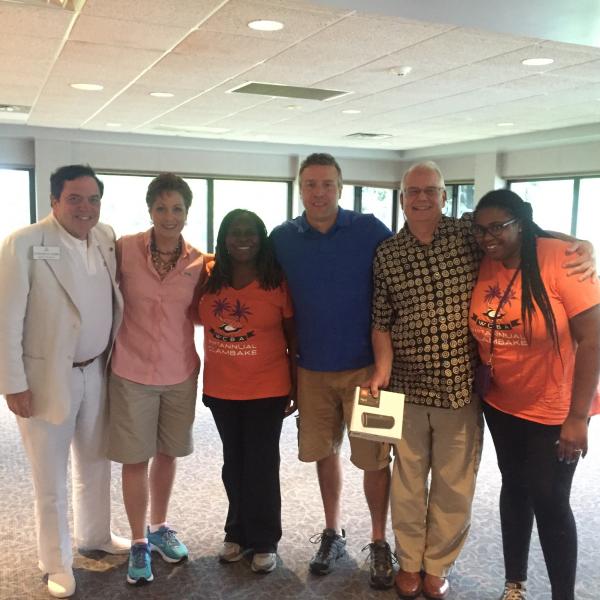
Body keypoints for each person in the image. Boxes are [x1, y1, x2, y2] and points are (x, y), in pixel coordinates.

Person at [369, 161, 596, 600]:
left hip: (462, 389)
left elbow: (524, 236)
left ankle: (437, 566)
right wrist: (381, 370)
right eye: (413, 191)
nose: (421, 198)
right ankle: (409, 561)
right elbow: (382, 321)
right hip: (407, 386)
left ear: (444, 197)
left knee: (455, 484)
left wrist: (580, 242)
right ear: (401, 199)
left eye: (431, 190)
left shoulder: (469, 237)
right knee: (408, 481)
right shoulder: (387, 253)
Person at [0, 164, 129, 599]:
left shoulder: (106, 238)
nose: (85, 207)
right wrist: (12, 383)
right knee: (50, 478)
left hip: (97, 369)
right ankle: (56, 561)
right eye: (75, 198)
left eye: (93, 199)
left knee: (96, 462)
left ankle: (95, 534)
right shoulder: (25, 243)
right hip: (44, 378)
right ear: (54, 200)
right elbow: (6, 318)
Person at [270, 153, 396, 589]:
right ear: (300, 189)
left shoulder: (370, 230)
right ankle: (332, 532)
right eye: (310, 184)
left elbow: (408, 264)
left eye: (326, 184)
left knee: (375, 459)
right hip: (312, 371)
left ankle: (380, 540)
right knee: (324, 453)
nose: (318, 192)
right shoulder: (282, 238)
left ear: (340, 188)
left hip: (370, 371)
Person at [468, 189, 600, 600]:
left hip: (556, 410)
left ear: (521, 224)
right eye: (480, 229)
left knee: (550, 499)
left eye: (499, 227)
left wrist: (578, 417)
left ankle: (564, 595)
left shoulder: (560, 260)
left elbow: (594, 339)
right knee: (515, 485)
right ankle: (515, 584)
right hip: (502, 402)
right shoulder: (484, 258)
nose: (488, 237)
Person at [107, 173, 209, 585]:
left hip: (180, 371)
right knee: (136, 457)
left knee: (168, 453)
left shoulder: (200, 261)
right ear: (150, 210)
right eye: (162, 208)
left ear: (187, 212)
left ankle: (159, 526)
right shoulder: (123, 250)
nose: (170, 216)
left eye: (178, 208)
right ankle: (137, 542)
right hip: (131, 371)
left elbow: (207, 311)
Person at [199, 209, 297, 574]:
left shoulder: (276, 280)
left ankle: (265, 539)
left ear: (262, 238)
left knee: (262, 463)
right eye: (235, 233)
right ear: (223, 238)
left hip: (267, 389)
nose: (243, 239)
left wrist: (297, 386)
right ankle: (236, 532)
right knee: (233, 464)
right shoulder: (209, 276)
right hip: (222, 389)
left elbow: (292, 334)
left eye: (251, 233)